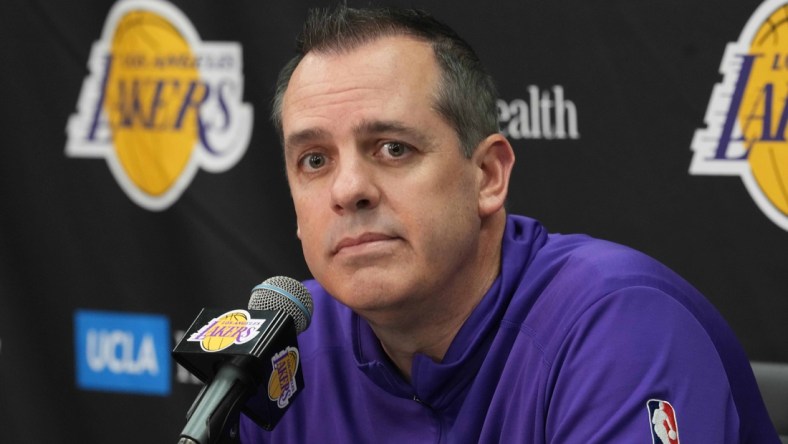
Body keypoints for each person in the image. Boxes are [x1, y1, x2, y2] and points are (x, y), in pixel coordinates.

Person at [240, 5, 779, 443]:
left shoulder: (619, 326)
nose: (347, 188)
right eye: (314, 160)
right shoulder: (287, 349)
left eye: (392, 148)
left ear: (488, 176)